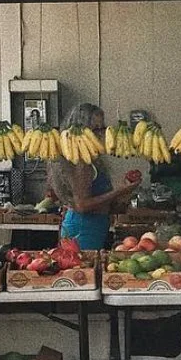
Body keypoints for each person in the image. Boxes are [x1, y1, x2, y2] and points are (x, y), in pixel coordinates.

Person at [47, 103, 136, 250]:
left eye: (103, 128)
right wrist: (120, 191)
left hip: (92, 226)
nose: (101, 134)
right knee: (83, 270)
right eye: (96, 129)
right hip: (84, 229)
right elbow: (82, 205)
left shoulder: (89, 159)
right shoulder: (81, 163)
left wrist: (123, 196)